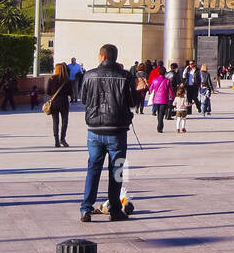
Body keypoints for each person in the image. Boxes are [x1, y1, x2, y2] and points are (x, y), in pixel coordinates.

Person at [78, 44, 136, 223]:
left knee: (93, 169)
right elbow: (132, 102)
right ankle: (115, 210)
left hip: (94, 131)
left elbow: (84, 100)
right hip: (117, 131)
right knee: (117, 171)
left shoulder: (89, 75)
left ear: (102, 57)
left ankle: (86, 209)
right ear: (115, 57)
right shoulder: (125, 76)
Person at [45, 62, 71, 147]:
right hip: (64, 103)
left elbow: (48, 92)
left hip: (54, 103)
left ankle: (56, 141)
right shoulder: (67, 80)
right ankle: (63, 139)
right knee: (64, 121)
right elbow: (70, 92)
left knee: (55, 122)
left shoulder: (51, 79)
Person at [149, 64, 172, 133]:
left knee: (159, 112)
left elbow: (150, 89)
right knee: (161, 113)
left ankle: (159, 124)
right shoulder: (167, 80)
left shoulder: (154, 80)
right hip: (164, 99)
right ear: (165, 73)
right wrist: (172, 97)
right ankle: (160, 126)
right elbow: (170, 90)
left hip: (156, 99)